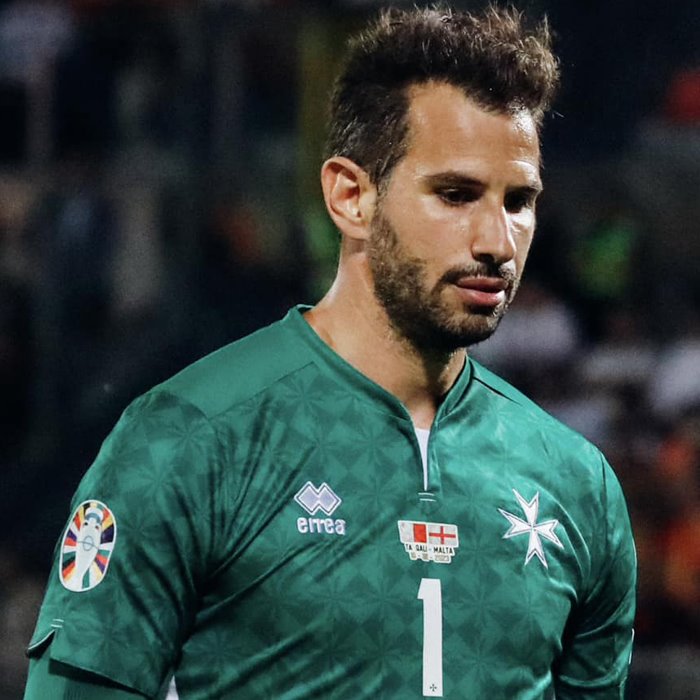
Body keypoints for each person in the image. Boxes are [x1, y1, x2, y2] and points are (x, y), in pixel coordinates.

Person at [24, 5, 636, 699]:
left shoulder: (576, 484)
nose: (496, 241)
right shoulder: (189, 439)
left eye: (518, 201)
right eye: (455, 194)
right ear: (351, 197)